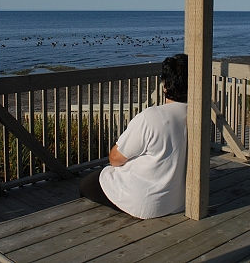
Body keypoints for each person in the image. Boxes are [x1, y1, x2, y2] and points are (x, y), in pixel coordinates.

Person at [79, 53, 188, 219]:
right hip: (178, 201)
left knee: (87, 184)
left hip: (144, 203)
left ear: (165, 85)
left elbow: (115, 158)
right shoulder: (197, 115)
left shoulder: (151, 117)